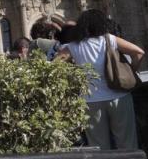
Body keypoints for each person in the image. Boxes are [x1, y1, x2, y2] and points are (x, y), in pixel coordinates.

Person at [58, 9, 143, 151]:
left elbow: (54, 67)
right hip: (118, 97)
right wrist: (131, 70)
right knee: (127, 144)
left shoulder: (72, 47)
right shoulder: (109, 39)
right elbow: (139, 53)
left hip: (90, 101)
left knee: (99, 148)